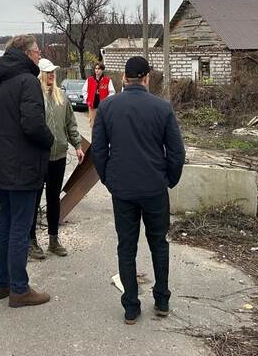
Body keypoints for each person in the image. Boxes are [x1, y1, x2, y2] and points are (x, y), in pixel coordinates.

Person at [91, 56, 185, 325]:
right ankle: (162, 301)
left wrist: (109, 179)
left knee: (126, 246)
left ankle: (131, 307)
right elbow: (176, 152)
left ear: (124, 77)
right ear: (146, 78)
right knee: (159, 244)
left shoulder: (108, 107)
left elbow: (98, 150)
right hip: (154, 188)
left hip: (123, 190)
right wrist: (169, 179)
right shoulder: (162, 108)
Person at [0, 35, 55, 307]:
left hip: (2, 163)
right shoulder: (27, 81)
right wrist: (50, 141)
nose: (39, 56)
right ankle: (19, 289)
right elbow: (33, 125)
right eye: (37, 52)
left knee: (6, 221)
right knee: (20, 226)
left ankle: (1, 283)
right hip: (23, 165)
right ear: (26, 53)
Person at [28, 57, 85, 260]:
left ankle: (53, 239)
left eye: (53, 72)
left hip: (58, 156)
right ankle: (31, 241)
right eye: (48, 72)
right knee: (33, 199)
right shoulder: (34, 96)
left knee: (53, 198)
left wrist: (77, 145)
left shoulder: (62, 97)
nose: (52, 75)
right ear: (40, 74)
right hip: (38, 156)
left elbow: (71, 124)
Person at [82, 62, 116, 129]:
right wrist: (87, 99)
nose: (97, 70)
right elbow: (84, 91)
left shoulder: (107, 80)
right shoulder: (89, 80)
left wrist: (106, 101)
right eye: (96, 69)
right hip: (93, 107)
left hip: (103, 108)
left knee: (103, 125)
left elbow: (112, 92)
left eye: (99, 69)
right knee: (93, 125)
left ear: (102, 70)